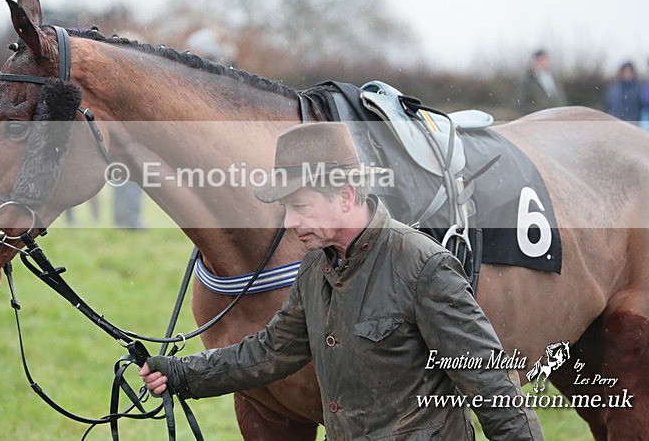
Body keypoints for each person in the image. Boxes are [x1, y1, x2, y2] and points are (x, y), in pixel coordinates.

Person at [139, 122, 543, 440]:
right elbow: (271, 351)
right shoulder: (315, 267)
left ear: (346, 197)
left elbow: (492, 384)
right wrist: (180, 373)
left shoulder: (423, 267)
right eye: (286, 208)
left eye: (300, 206)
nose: (290, 221)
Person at [516, 49, 567, 114]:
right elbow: (522, 103)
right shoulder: (528, 80)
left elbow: (560, 98)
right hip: (539, 117)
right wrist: (539, 112)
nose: (544, 62)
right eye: (541, 60)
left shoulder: (554, 78)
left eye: (545, 59)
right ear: (535, 62)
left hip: (558, 116)